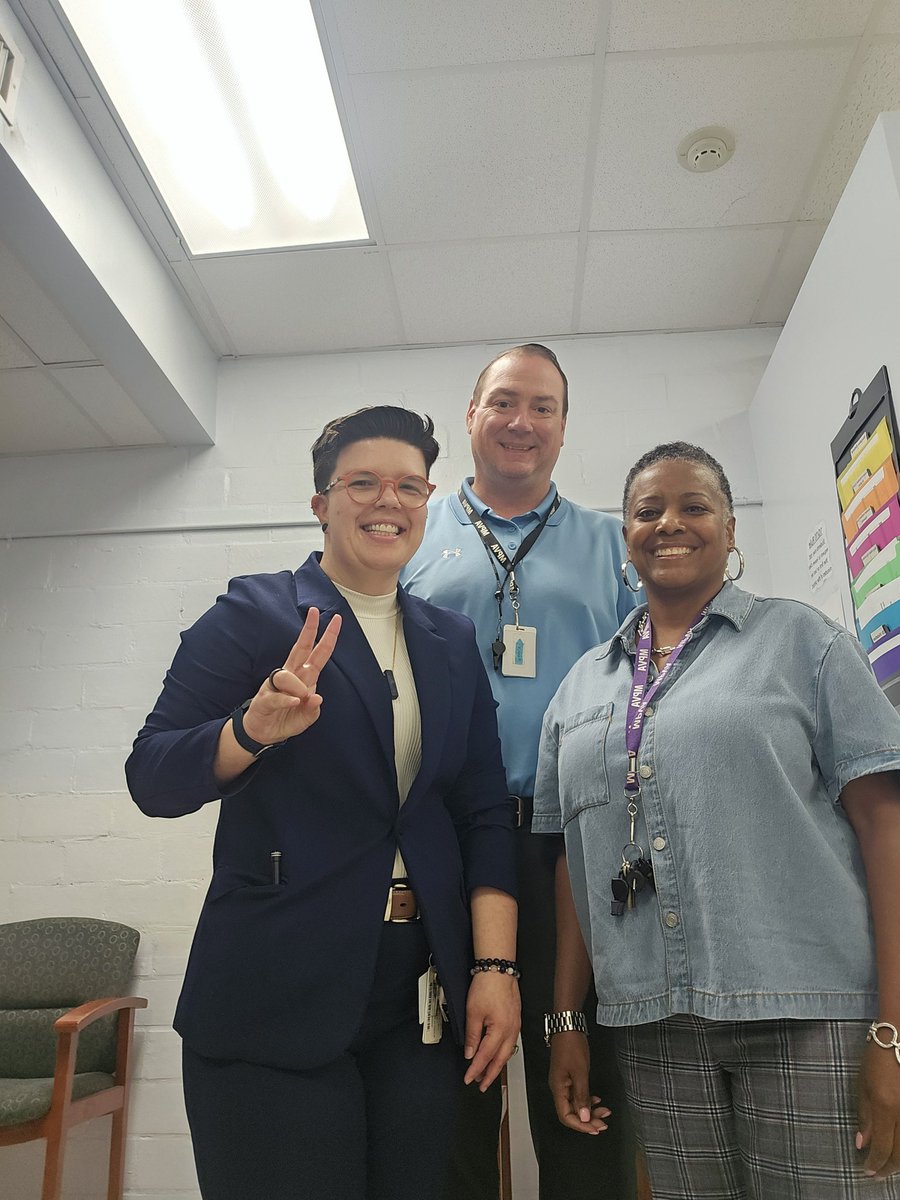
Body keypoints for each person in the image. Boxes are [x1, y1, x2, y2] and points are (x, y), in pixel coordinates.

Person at [125, 406, 520, 1200]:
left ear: (429, 500)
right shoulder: (257, 614)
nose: (389, 501)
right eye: (364, 482)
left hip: (419, 995)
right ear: (322, 503)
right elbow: (152, 775)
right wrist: (251, 730)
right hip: (276, 989)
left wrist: (495, 967)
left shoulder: (448, 640)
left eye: (410, 485)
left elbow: (480, 812)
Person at [535, 440, 900, 1198]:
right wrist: (566, 1019)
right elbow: (574, 858)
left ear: (731, 529)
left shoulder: (803, 643)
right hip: (652, 1024)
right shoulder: (578, 689)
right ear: (624, 534)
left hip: (808, 1013)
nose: (670, 522)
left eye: (694, 506)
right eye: (647, 510)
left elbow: (884, 830)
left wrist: (893, 1033)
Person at [402, 345, 638, 1199]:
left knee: (579, 1071)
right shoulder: (414, 537)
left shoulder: (616, 546)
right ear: (471, 415)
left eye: (543, 407)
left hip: (571, 840)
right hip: (448, 839)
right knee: (449, 1079)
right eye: (504, 402)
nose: (521, 422)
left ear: (564, 430)